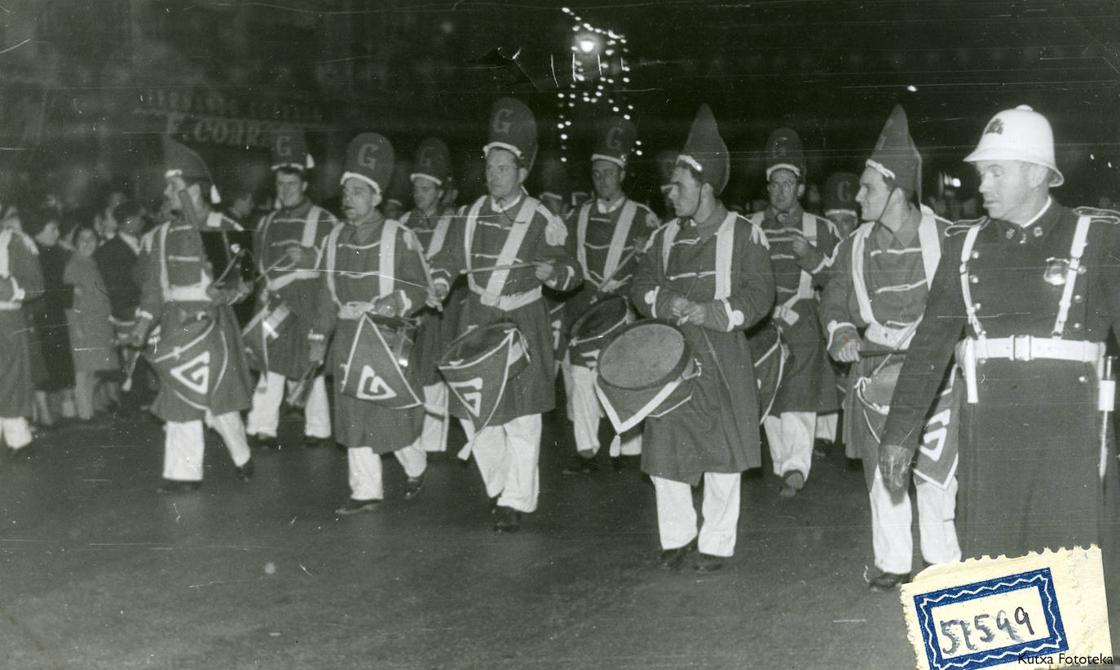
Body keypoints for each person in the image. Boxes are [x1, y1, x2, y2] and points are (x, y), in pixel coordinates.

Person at [881, 105, 1120, 630]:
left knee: (1068, 571)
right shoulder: (962, 246)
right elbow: (929, 347)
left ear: (1037, 174)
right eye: (981, 171)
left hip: (1069, 437)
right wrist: (899, 435)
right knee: (994, 574)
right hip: (990, 437)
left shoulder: (1096, 238)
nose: (981, 182)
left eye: (996, 171)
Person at [819, 105, 960, 591]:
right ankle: (894, 562)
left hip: (935, 373)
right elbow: (833, 298)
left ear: (896, 192)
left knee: (936, 474)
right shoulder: (853, 245)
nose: (858, 196)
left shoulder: (946, 238)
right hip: (873, 372)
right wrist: (839, 331)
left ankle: (944, 566)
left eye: (868, 189)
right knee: (883, 475)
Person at [630, 104, 775, 572]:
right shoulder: (663, 237)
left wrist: (712, 311)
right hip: (671, 358)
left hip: (721, 354)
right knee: (665, 445)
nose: (671, 194)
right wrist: (663, 302)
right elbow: (640, 286)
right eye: (671, 186)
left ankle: (715, 542)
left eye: (680, 186)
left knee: (723, 453)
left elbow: (760, 295)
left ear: (706, 188)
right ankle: (676, 536)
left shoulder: (745, 234)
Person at [429, 97, 581, 533]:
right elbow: (447, 260)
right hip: (477, 319)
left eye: (503, 168)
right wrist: (440, 282)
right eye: (490, 168)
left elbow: (571, 272)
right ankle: (499, 486)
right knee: (473, 416)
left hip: (522, 324)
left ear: (522, 172)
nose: (494, 176)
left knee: (522, 417)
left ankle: (516, 498)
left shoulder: (541, 218)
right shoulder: (470, 213)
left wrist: (556, 273)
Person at [308, 132, 431, 515]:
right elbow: (327, 295)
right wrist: (318, 336)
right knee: (353, 416)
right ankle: (365, 492)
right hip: (347, 337)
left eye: (358, 192)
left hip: (383, 335)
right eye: (346, 192)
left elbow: (420, 288)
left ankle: (416, 464)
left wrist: (398, 300)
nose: (348, 199)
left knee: (389, 413)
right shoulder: (332, 240)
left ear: (376, 197)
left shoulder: (399, 236)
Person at [127, 137, 255, 492]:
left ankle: (241, 454)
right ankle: (184, 475)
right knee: (182, 397)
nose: (167, 192)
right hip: (173, 324)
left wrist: (226, 291)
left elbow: (246, 283)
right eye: (168, 186)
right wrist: (141, 324)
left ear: (196, 190)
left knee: (217, 401)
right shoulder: (162, 235)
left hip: (210, 324)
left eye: (175, 185)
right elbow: (153, 290)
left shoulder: (223, 226)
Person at [561, 116, 660, 475]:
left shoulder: (644, 218)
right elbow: (568, 260)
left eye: (609, 172)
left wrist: (646, 251)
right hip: (586, 313)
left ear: (621, 175)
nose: (602, 179)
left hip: (623, 314)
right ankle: (586, 451)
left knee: (623, 378)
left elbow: (656, 268)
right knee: (581, 381)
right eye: (597, 173)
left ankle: (632, 448)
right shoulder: (577, 215)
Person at [749, 128, 841, 497]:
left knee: (799, 395)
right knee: (768, 393)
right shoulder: (750, 226)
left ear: (801, 188)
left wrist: (812, 259)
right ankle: (780, 460)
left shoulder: (822, 228)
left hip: (803, 319)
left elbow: (838, 280)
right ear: (768, 188)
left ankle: (796, 468)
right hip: (762, 323)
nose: (782, 190)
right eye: (775, 184)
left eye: (789, 184)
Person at [244, 130, 338, 450]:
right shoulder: (266, 222)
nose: (285, 190)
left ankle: (318, 428)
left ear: (305, 185)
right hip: (274, 299)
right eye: (281, 184)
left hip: (308, 299)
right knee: (271, 364)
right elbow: (257, 263)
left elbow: (337, 264)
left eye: (292, 185)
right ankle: (262, 427)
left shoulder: (324, 220)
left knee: (307, 363)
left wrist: (311, 256)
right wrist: (257, 289)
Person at [399, 137, 457, 454]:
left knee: (434, 374)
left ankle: (434, 444)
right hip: (410, 311)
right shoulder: (403, 222)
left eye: (426, 189)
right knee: (408, 372)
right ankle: (412, 437)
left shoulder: (452, 223)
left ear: (439, 191)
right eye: (416, 189)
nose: (419, 195)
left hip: (436, 312)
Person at [26, 208, 76, 425]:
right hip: (37, 314)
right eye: (53, 229)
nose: (57, 234)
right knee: (42, 364)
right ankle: (44, 414)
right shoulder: (30, 252)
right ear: (38, 231)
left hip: (55, 313)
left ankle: (66, 410)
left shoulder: (57, 251)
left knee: (60, 359)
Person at [95, 200, 147, 409]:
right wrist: (131, 305)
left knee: (140, 354)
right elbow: (113, 285)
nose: (144, 222)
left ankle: (138, 397)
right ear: (129, 220)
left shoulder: (141, 242)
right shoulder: (109, 250)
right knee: (129, 357)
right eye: (141, 218)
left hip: (142, 308)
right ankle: (129, 403)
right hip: (126, 310)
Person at [64, 225, 119, 421]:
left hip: (98, 324)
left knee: (93, 369)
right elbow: (70, 301)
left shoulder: (92, 263)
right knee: (83, 369)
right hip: (84, 324)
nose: (87, 243)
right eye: (82, 239)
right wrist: (76, 326)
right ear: (75, 242)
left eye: (91, 239)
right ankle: (84, 413)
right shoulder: (74, 265)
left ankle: (88, 409)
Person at [0, 214, 44, 451]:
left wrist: (7, 287)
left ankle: (17, 437)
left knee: (10, 378)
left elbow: (36, 284)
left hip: (6, 321)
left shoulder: (14, 242)